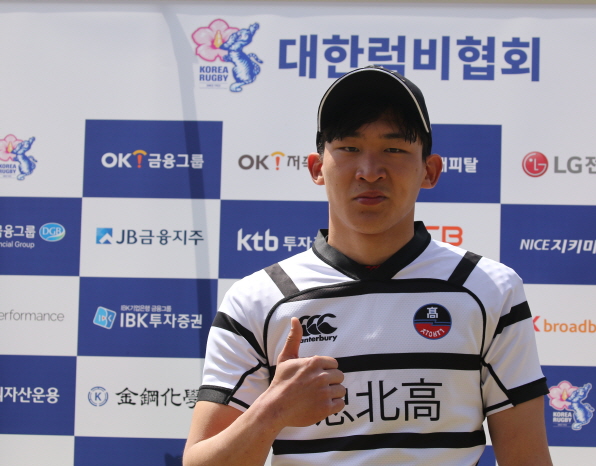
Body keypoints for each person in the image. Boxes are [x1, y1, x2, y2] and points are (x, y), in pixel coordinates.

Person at [184, 66, 553, 466]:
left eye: (394, 150)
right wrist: (271, 413)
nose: (370, 171)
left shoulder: (488, 290)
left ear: (429, 171)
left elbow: (527, 458)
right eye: (349, 148)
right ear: (316, 168)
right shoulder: (258, 299)